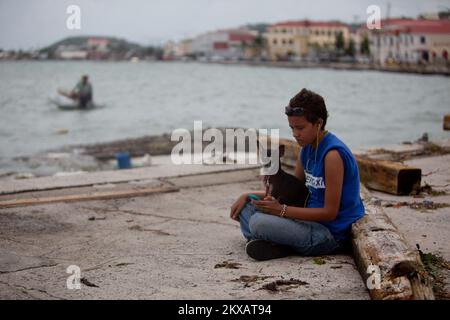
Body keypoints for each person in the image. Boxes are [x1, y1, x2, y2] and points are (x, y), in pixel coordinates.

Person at [230, 88, 365, 261]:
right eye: (292, 128)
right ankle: (280, 245)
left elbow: (330, 213)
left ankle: (275, 242)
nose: (295, 134)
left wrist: (281, 211)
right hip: (306, 221)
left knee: (258, 223)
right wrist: (248, 195)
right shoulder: (306, 149)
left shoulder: (332, 156)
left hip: (329, 234)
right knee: (247, 207)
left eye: (300, 128)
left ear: (318, 123)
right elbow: (295, 194)